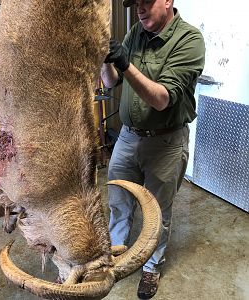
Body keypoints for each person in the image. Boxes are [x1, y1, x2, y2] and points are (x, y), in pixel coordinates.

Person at [101, 0, 205, 299]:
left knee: (157, 212)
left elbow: (161, 99)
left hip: (165, 142)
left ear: (168, 1)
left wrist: (124, 62)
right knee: (119, 202)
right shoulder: (136, 32)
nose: (140, 9)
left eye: (147, 2)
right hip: (128, 137)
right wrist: (104, 59)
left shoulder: (189, 40)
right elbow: (111, 82)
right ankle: (117, 257)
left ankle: (150, 267)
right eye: (136, 4)